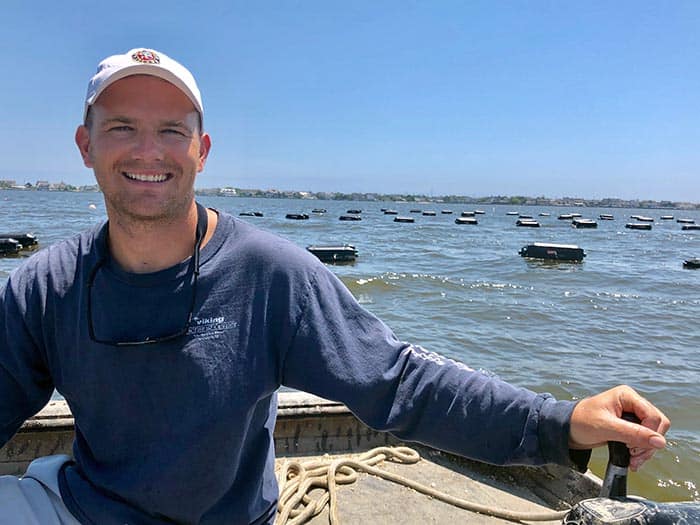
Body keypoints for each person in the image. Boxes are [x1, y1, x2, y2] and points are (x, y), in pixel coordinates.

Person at [0, 48, 669, 525]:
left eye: (171, 131)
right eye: (122, 127)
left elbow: (400, 382)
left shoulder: (271, 276)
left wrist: (560, 423)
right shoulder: (44, 287)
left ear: (201, 152)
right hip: (76, 506)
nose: (148, 150)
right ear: (86, 145)